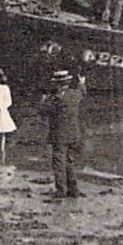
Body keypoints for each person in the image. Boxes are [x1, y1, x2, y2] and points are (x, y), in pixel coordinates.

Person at [41, 69, 85, 198]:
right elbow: (83, 92)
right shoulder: (76, 94)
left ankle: (61, 190)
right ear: (67, 82)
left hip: (59, 136)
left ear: (57, 84)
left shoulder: (56, 98)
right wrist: (82, 83)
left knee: (59, 164)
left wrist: (44, 100)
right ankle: (73, 190)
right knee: (69, 162)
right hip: (74, 134)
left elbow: (43, 111)